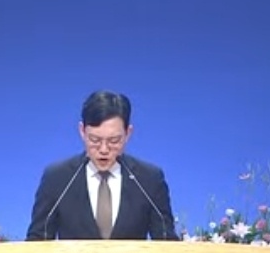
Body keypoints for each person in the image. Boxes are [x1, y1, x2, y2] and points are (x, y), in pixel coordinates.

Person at [25, 90, 178, 241]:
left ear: (128, 134)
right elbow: (37, 241)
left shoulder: (149, 180)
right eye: (95, 140)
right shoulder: (57, 178)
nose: (104, 149)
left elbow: (167, 242)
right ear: (82, 131)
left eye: (114, 141)